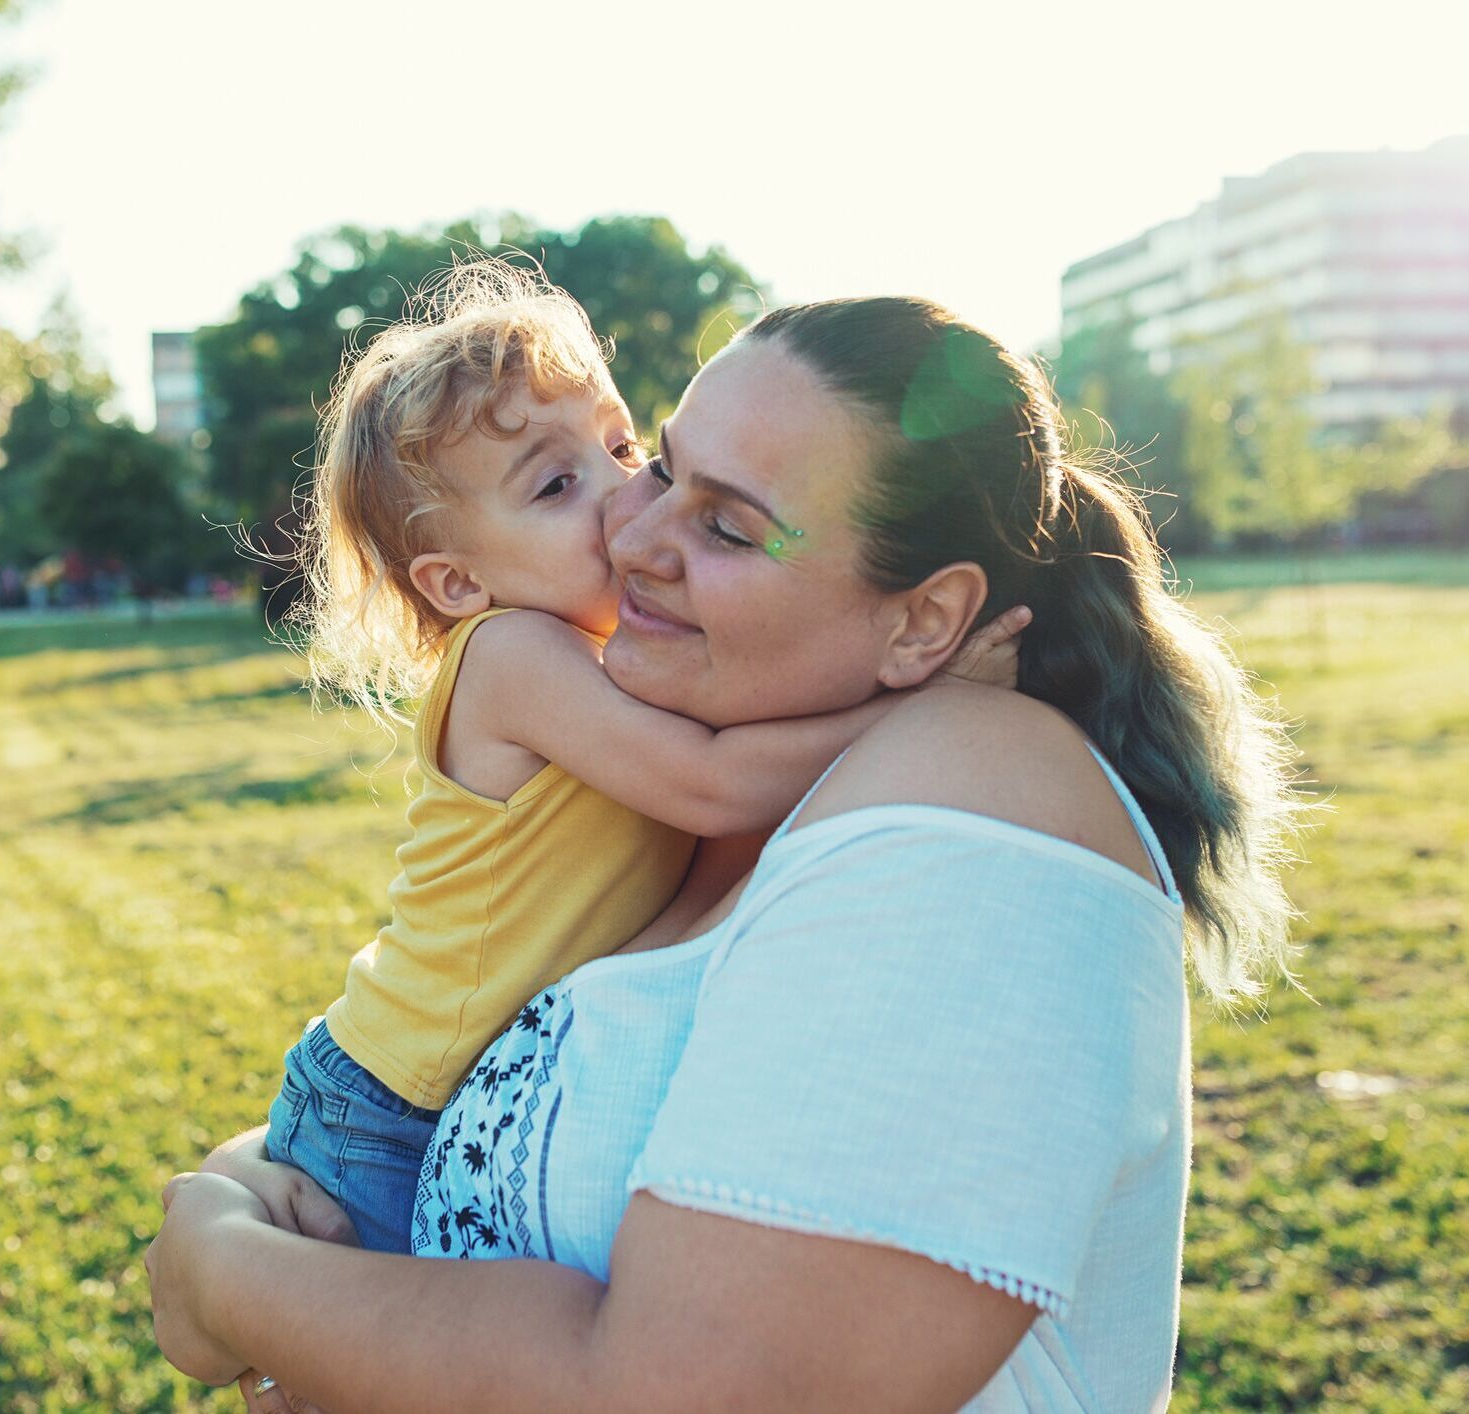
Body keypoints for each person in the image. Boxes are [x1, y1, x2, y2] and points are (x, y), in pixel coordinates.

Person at [147, 295, 1304, 1412]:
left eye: (728, 524)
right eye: (661, 464)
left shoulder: (978, 793)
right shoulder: (693, 798)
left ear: (924, 625)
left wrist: (231, 1275)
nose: (632, 529)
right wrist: (245, 1192)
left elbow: (689, 1393)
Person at [252, 263, 1026, 1254]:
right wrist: (927, 694)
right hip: (387, 1103)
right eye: (557, 483)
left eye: (623, 446)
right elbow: (711, 780)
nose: (623, 496)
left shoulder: (602, 659)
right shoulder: (510, 655)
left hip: (442, 1086)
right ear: (458, 580)